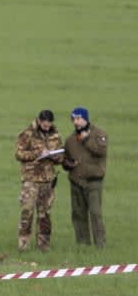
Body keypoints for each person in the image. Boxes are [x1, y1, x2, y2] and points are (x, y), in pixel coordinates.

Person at [13, 109, 62, 252]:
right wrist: (37, 154)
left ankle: (43, 246)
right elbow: (18, 153)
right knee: (27, 211)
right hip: (31, 179)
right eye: (44, 125)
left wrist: (55, 156)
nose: (47, 127)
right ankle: (23, 244)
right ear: (40, 121)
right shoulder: (27, 133)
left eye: (49, 125)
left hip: (47, 180)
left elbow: (60, 155)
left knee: (45, 214)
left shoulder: (55, 134)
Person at [62, 106, 108, 248]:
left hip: (93, 182)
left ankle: (100, 245)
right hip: (76, 182)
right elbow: (65, 159)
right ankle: (83, 244)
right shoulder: (70, 140)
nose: (76, 122)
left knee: (95, 214)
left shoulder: (99, 134)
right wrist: (68, 164)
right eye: (73, 119)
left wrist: (86, 139)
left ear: (85, 119)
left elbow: (101, 150)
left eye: (78, 119)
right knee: (78, 215)